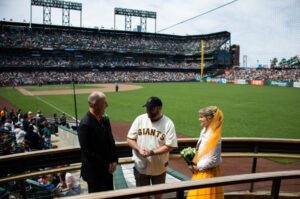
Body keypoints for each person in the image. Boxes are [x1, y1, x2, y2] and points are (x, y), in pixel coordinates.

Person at [127, 96, 178, 199]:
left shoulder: (168, 123)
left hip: (158, 168)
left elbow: (170, 146)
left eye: (151, 108)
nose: (148, 110)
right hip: (140, 166)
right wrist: (139, 149)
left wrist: (151, 152)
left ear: (159, 108)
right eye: (147, 108)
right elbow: (130, 138)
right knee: (143, 196)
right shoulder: (140, 119)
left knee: (158, 195)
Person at [77, 91, 118, 193]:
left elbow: (111, 141)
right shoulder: (85, 124)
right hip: (95, 173)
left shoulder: (104, 119)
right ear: (94, 105)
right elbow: (89, 152)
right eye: (104, 103)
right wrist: (107, 165)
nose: (107, 105)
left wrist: (114, 161)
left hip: (108, 170)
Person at [186, 106, 224, 199]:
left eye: (201, 117)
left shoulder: (214, 136)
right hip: (200, 171)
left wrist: (197, 167)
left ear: (209, 118)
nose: (199, 119)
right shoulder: (204, 130)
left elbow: (214, 160)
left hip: (208, 174)